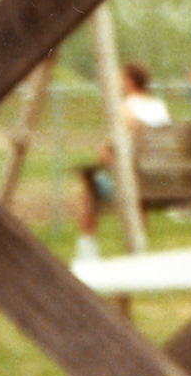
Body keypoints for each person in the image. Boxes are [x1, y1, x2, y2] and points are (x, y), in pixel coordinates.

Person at [73, 63, 175, 262]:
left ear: (129, 82)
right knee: (139, 196)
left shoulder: (123, 109)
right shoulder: (159, 107)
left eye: (119, 79)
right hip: (156, 182)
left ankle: (87, 251)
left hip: (131, 182)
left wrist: (105, 156)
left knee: (86, 189)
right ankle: (139, 249)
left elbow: (105, 154)